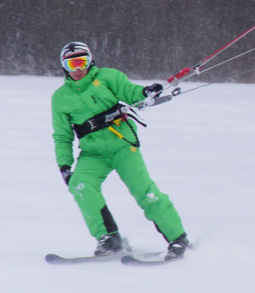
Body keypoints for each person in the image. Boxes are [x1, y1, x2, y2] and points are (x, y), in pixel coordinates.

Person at [51, 41, 189, 259]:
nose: (77, 69)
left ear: (90, 62)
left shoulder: (108, 77)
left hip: (123, 146)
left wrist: (145, 91)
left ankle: (178, 239)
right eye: (71, 64)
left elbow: (131, 91)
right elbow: (62, 136)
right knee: (80, 185)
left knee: (145, 191)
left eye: (82, 62)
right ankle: (109, 239)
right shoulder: (60, 98)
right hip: (93, 154)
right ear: (63, 67)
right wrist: (65, 166)